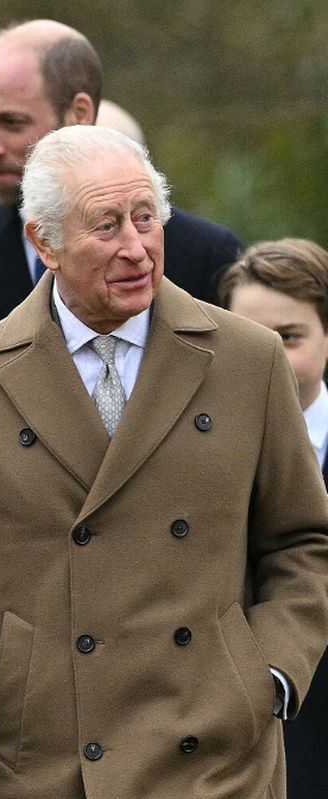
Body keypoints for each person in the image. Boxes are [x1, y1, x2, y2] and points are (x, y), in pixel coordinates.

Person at [0, 124, 328, 799]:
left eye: (146, 217)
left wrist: (268, 672)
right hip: (38, 756)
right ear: (44, 243)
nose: (136, 247)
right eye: (106, 225)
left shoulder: (247, 360)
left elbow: (302, 541)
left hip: (214, 754)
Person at [0, 20, 244, 798]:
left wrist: (263, 668)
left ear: (78, 114)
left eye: (10, 122)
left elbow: (274, 510)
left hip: (184, 696)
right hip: (12, 683)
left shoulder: (202, 259)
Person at [219, 238, 328, 798]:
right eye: (250, 337)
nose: (269, 356)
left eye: (289, 337)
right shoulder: (198, 451)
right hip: (236, 738)